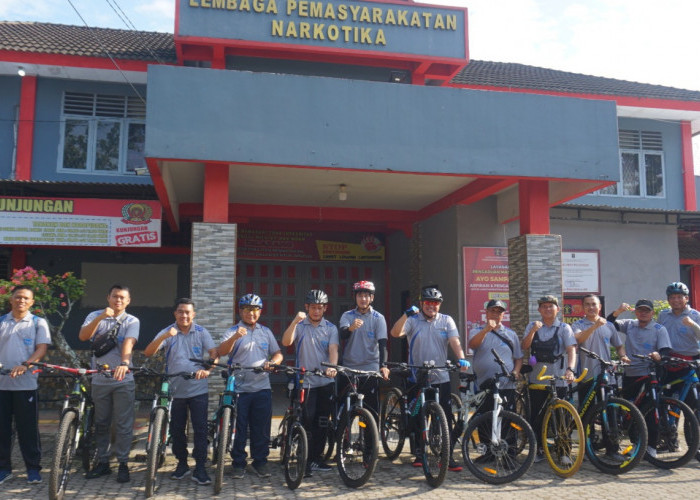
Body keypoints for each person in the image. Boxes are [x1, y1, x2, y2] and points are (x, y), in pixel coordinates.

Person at [390, 286, 468, 472]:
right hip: (418, 376)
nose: (431, 306)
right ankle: (418, 452)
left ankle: (446, 456)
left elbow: (454, 341)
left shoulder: (446, 320)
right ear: (421, 304)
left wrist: (461, 358)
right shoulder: (413, 320)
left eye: (435, 303)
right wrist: (405, 315)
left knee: (445, 417)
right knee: (418, 415)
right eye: (427, 303)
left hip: (441, 376)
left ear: (439, 305)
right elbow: (395, 333)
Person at [143, 298, 217, 485]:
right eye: (180, 312)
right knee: (177, 429)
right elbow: (148, 352)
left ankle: (200, 467)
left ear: (193, 314)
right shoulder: (168, 331)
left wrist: (207, 370)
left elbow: (214, 355)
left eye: (188, 312)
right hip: (175, 390)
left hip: (198, 389)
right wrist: (163, 337)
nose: (184, 315)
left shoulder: (201, 332)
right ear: (175, 313)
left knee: (200, 429)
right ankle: (182, 463)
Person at [217, 294, 283, 480]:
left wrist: (273, 362)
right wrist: (235, 337)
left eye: (255, 310)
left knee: (261, 428)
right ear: (240, 311)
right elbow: (222, 351)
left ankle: (260, 461)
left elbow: (277, 353)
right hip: (239, 388)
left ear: (260, 312)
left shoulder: (266, 332)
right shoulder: (234, 330)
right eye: (247, 309)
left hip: (262, 386)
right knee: (238, 427)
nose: (251, 313)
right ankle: (238, 463)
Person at [79, 284, 139, 483]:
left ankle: (123, 463)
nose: (118, 300)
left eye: (122, 297)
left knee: (123, 424)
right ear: (108, 297)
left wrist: (124, 363)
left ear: (128, 301)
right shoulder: (94, 315)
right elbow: (83, 336)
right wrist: (100, 318)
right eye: (115, 297)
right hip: (100, 379)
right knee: (101, 423)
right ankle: (103, 462)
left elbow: (129, 343)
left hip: (123, 380)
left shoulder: (132, 320)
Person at [282, 289, 338, 476]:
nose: (316, 311)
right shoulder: (300, 325)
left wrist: (332, 366)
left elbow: (333, 350)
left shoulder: (330, 328)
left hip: (325, 382)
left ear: (325, 309)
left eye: (319, 308)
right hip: (305, 382)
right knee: (306, 420)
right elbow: (286, 341)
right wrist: (294, 321)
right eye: (313, 307)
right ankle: (303, 459)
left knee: (322, 422)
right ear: (307, 308)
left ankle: (316, 459)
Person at [607, 299, 672, 459]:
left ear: (652, 313)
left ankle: (651, 448)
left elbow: (666, 352)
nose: (643, 313)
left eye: (647, 310)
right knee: (631, 412)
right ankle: (636, 444)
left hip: (649, 376)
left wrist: (659, 356)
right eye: (640, 310)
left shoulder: (659, 329)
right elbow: (608, 324)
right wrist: (618, 311)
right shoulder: (629, 324)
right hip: (630, 374)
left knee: (651, 412)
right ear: (635, 312)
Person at [0, 285, 51, 485]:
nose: (21, 301)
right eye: (18, 297)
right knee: (2, 429)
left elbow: (41, 349)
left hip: (26, 385)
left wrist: (25, 365)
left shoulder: (38, 323)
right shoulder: (2, 321)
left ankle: (33, 469)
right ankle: (4, 468)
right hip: (2, 385)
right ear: (11, 300)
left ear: (31, 302)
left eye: (25, 298)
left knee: (27, 429)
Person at [521, 295, 576, 462]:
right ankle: (538, 449)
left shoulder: (564, 328)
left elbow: (571, 350)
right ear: (539, 310)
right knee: (537, 416)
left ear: (557, 309)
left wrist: (570, 369)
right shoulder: (532, 326)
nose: (547, 309)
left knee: (561, 417)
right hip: (537, 379)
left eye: (551, 306)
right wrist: (532, 331)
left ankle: (564, 452)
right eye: (544, 306)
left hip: (558, 378)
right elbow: (525, 346)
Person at [338, 281, 390, 418]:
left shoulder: (379, 318)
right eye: (360, 295)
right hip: (349, 369)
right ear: (355, 297)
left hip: (370, 370)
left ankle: (370, 439)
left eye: (367, 296)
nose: (363, 299)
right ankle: (343, 437)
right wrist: (350, 328)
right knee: (344, 412)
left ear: (372, 298)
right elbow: (342, 335)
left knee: (371, 413)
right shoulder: (347, 316)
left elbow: (383, 344)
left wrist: (383, 366)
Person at [468, 299, 523, 412]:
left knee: (507, 422)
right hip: (484, 385)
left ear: (503, 315)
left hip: (506, 385)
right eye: (492, 311)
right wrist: (486, 330)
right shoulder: (476, 331)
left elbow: (518, 357)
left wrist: (516, 372)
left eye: (499, 312)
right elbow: (472, 345)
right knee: (485, 422)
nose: (495, 314)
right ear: (486, 313)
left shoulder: (511, 334)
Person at [572, 294, 629, 400]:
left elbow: (619, 346)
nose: (591, 307)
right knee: (587, 414)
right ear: (583, 307)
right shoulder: (577, 325)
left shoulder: (609, 325)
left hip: (607, 376)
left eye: (594, 304)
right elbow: (578, 339)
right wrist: (595, 326)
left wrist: (623, 356)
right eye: (587, 305)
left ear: (600, 307)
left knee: (609, 410)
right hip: (586, 377)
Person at [657, 282, 700, 406]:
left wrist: (693, 325)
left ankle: (691, 425)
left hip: (690, 363)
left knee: (693, 402)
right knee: (667, 397)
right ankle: (669, 425)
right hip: (669, 362)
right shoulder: (663, 315)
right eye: (672, 297)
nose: (676, 300)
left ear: (686, 298)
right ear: (668, 300)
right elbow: (658, 335)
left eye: (679, 297)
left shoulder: (695, 315)